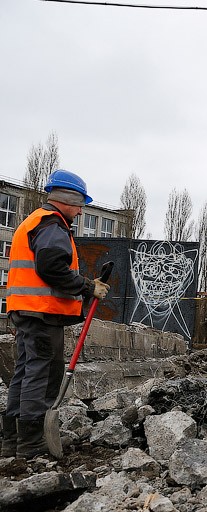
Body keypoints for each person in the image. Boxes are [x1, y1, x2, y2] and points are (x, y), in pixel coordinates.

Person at [1, 170, 110, 460]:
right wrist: (88, 287)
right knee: (43, 374)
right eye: (80, 204)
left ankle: (13, 440)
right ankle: (31, 441)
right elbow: (52, 268)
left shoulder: (35, 221)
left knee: (25, 373)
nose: (80, 211)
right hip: (42, 313)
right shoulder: (52, 225)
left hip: (27, 311)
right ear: (67, 199)